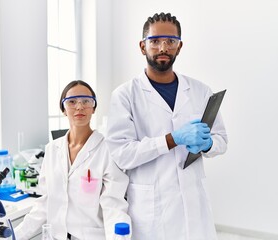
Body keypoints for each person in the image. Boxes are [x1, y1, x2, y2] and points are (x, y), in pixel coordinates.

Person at [106, 12, 228, 240]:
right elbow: (122, 154)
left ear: (179, 47)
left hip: (193, 204)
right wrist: (172, 139)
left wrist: (208, 143)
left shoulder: (200, 91)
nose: (163, 47)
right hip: (151, 210)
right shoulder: (125, 95)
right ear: (143, 47)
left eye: (170, 41)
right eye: (155, 41)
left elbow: (221, 140)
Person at [14, 80, 131, 240]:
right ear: (63, 109)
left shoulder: (108, 150)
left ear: (94, 107)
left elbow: (114, 206)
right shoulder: (52, 149)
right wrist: (13, 236)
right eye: (72, 102)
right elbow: (44, 203)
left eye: (86, 101)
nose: (79, 107)